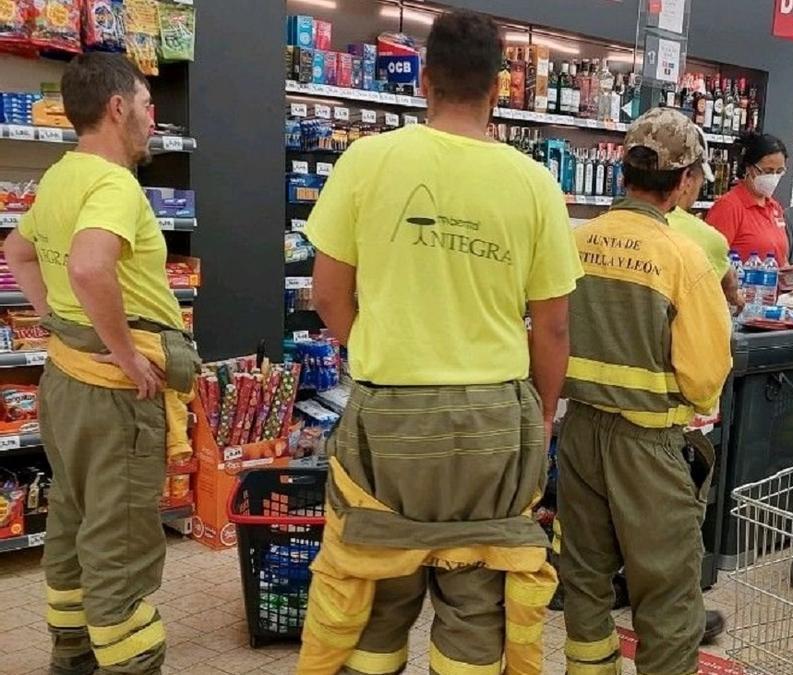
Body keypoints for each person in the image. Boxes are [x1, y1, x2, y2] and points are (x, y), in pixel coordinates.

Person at [297, 11, 581, 674]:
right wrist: (542, 413)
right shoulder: (534, 183)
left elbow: (328, 293)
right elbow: (555, 325)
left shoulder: (368, 161)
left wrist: (376, 349)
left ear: (424, 81)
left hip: (388, 416)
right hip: (492, 419)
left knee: (376, 581)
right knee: (479, 587)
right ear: (499, 87)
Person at [5, 52, 199, 674]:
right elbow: (90, 266)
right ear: (117, 108)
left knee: (72, 523)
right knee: (119, 544)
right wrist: (123, 353)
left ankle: (73, 660)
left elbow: (18, 250)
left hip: (65, 379)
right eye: (147, 105)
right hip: (116, 394)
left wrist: (62, 324)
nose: (152, 118)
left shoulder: (61, 174)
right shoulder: (114, 183)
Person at [558, 106, 733, 675]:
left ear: (623, 172)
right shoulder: (684, 258)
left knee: (585, 582)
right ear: (684, 182)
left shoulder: (577, 240)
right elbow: (705, 376)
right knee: (667, 597)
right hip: (649, 446)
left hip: (579, 432)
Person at [666, 126, 743, 312]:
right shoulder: (709, 239)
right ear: (688, 179)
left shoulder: (603, 225)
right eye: (701, 179)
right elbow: (728, 299)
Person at [705, 132, 790, 264]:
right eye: (767, 171)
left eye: (779, 172)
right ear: (749, 168)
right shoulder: (729, 207)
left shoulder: (774, 207)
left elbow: (781, 257)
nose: (773, 177)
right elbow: (710, 258)